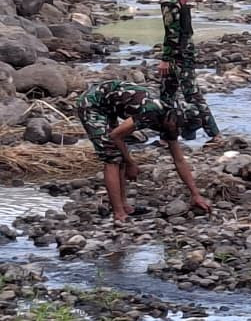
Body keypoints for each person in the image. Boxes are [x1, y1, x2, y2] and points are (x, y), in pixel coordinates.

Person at [75, 80, 212, 221]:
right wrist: (131, 163)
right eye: (178, 128)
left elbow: (179, 160)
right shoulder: (151, 111)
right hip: (92, 103)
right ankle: (119, 213)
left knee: (119, 154)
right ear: (173, 120)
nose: (176, 131)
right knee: (112, 156)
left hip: (110, 106)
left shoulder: (171, 123)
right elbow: (115, 136)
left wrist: (195, 194)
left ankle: (124, 206)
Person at [153, 0, 220, 142]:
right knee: (166, 94)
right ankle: (167, 136)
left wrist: (166, 58)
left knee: (191, 95)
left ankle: (215, 134)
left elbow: (172, 31)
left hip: (178, 54)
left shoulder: (169, 1)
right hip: (185, 49)